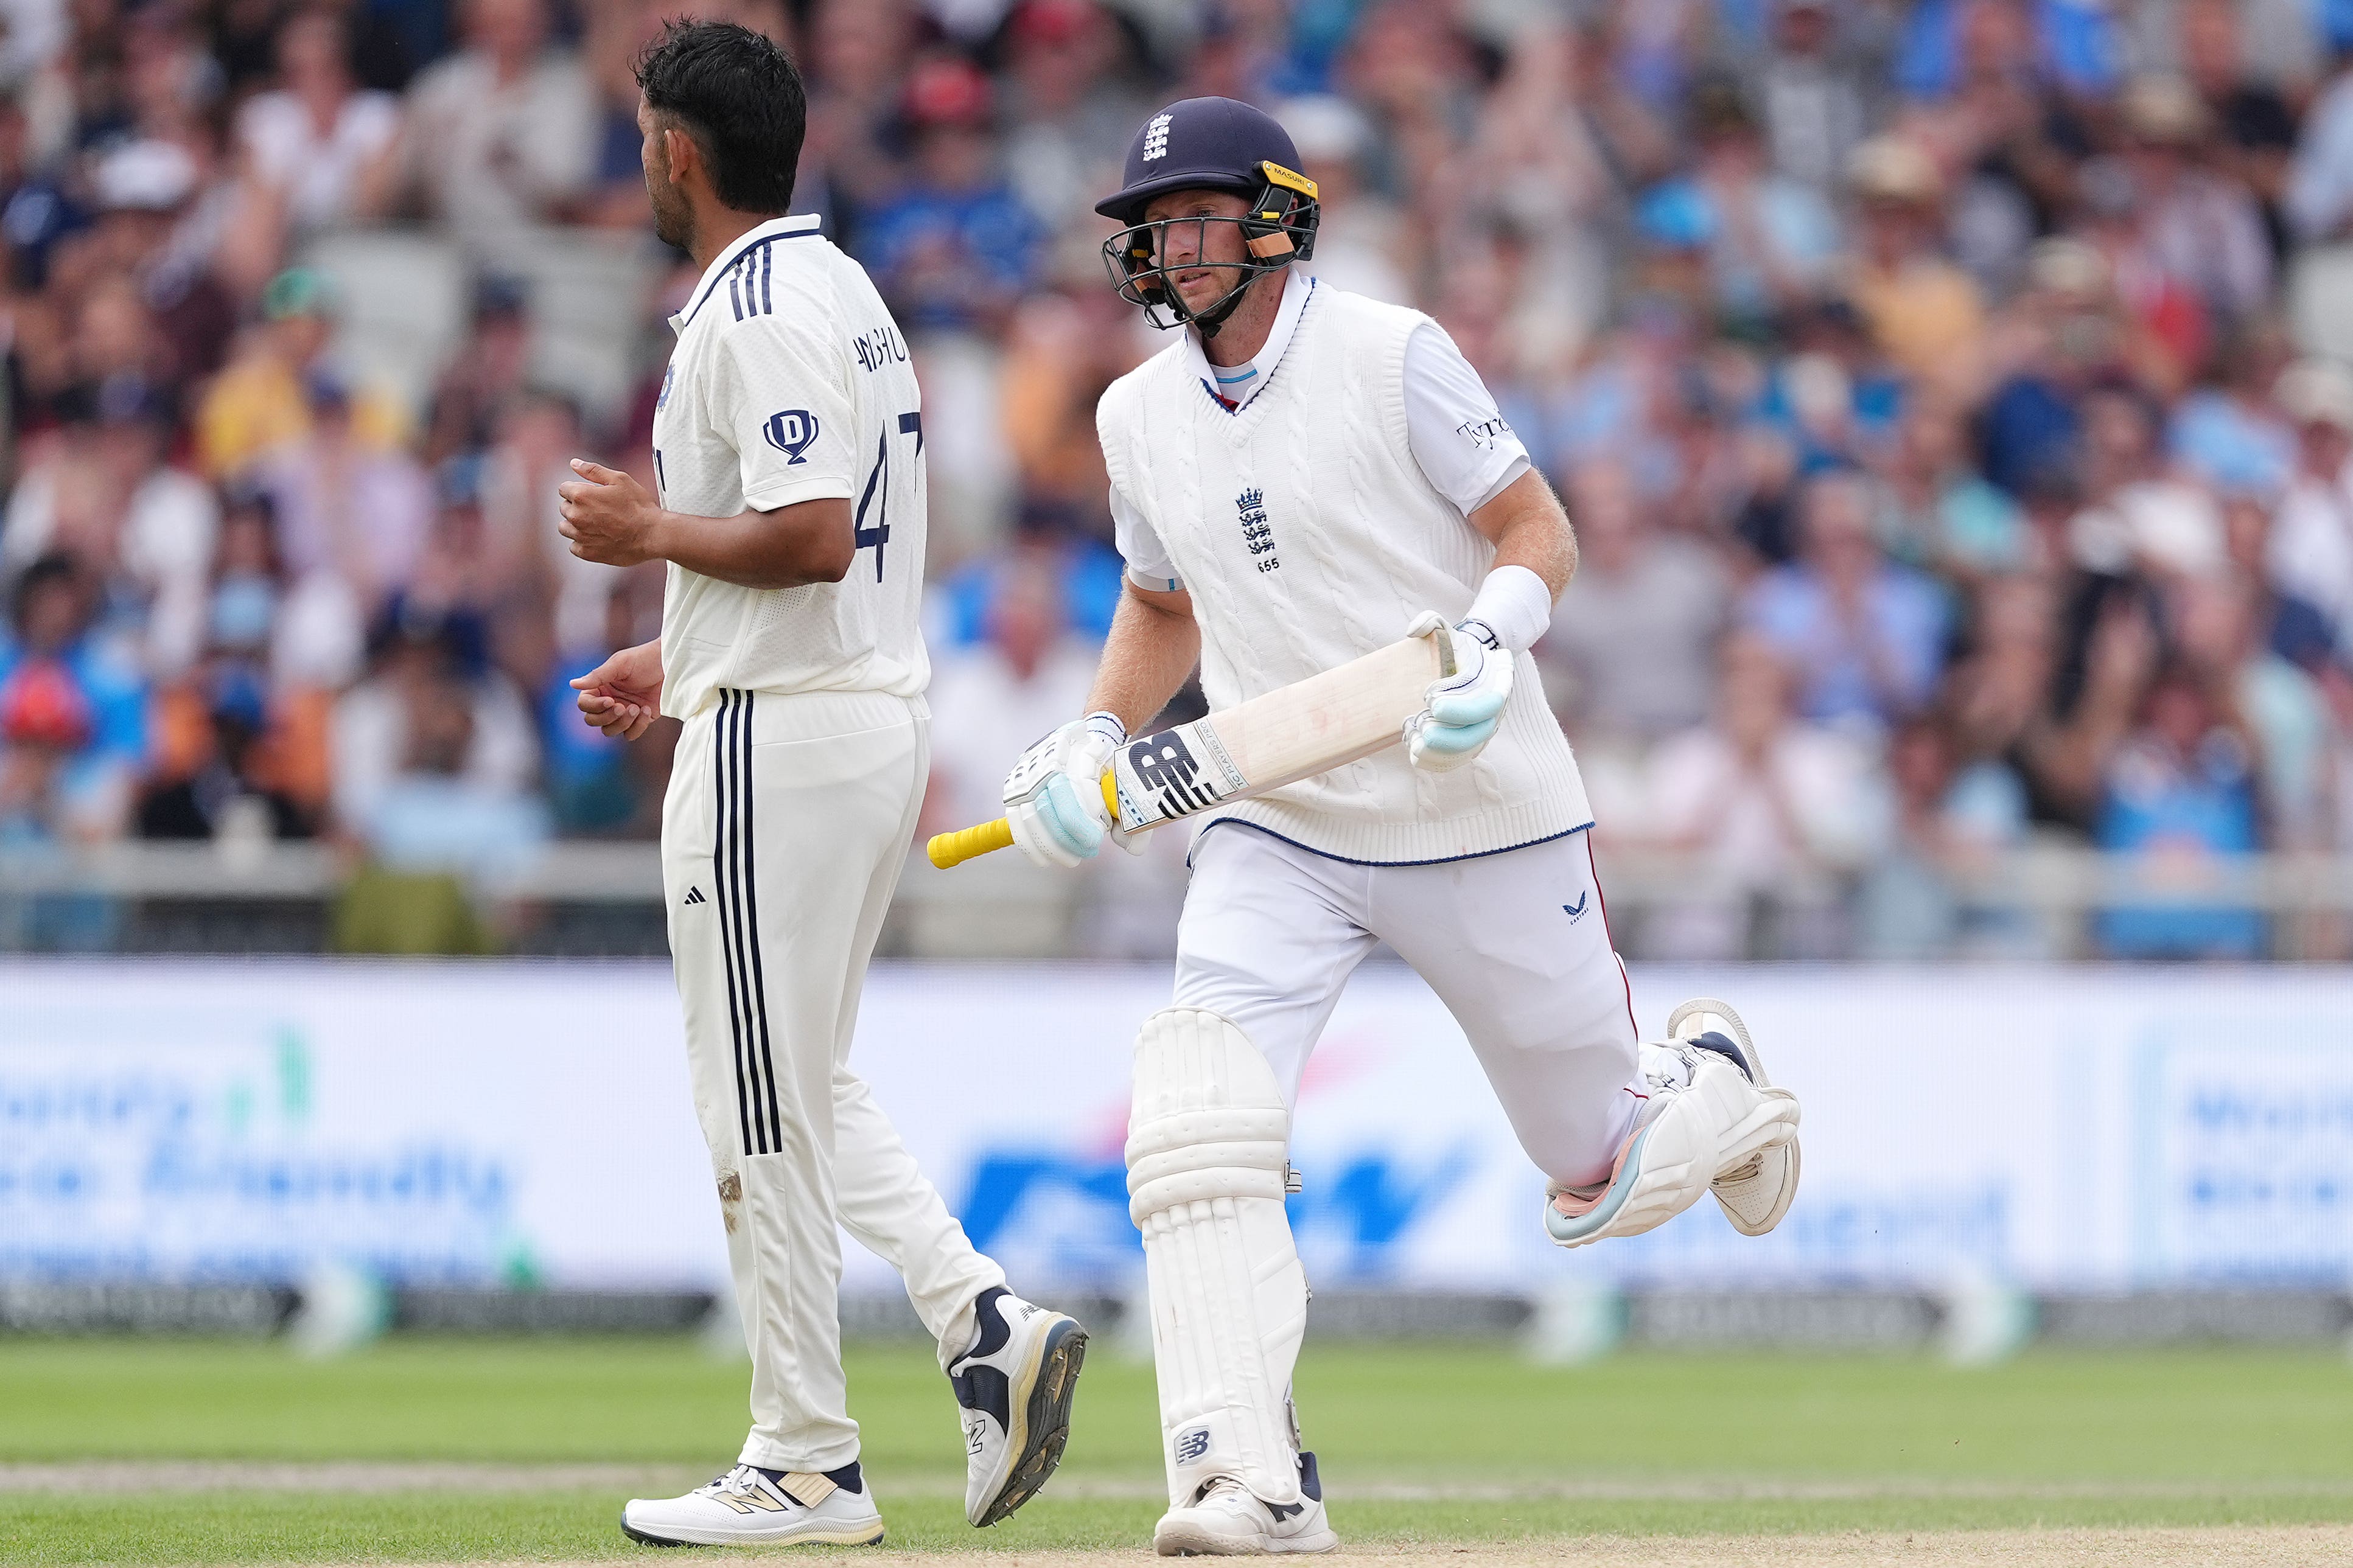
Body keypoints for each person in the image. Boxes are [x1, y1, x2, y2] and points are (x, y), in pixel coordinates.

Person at [993, 98, 1802, 1556]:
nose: (1171, 246)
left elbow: (1534, 527)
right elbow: (1163, 600)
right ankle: (1245, 1479)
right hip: (1276, 816)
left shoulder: (1393, 353)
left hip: (1473, 800)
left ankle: (1714, 1087)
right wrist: (1097, 730)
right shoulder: (1131, 414)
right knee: (1193, 1119)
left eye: (1197, 216)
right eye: (1151, 226)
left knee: (1595, 1174)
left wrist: (1495, 637)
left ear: (1275, 219)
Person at [556, 23, 1085, 1549]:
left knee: (750, 1096)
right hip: (850, 712)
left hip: (780, 738)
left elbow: (800, 529)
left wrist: (653, 536)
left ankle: (802, 1454)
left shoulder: (754, 310)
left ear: (677, 152)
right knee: (802, 1071)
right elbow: (834, 546)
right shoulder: (836, 281)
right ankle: (982, 1320)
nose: (640, 159)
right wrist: (679, 649)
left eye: (645, 136)